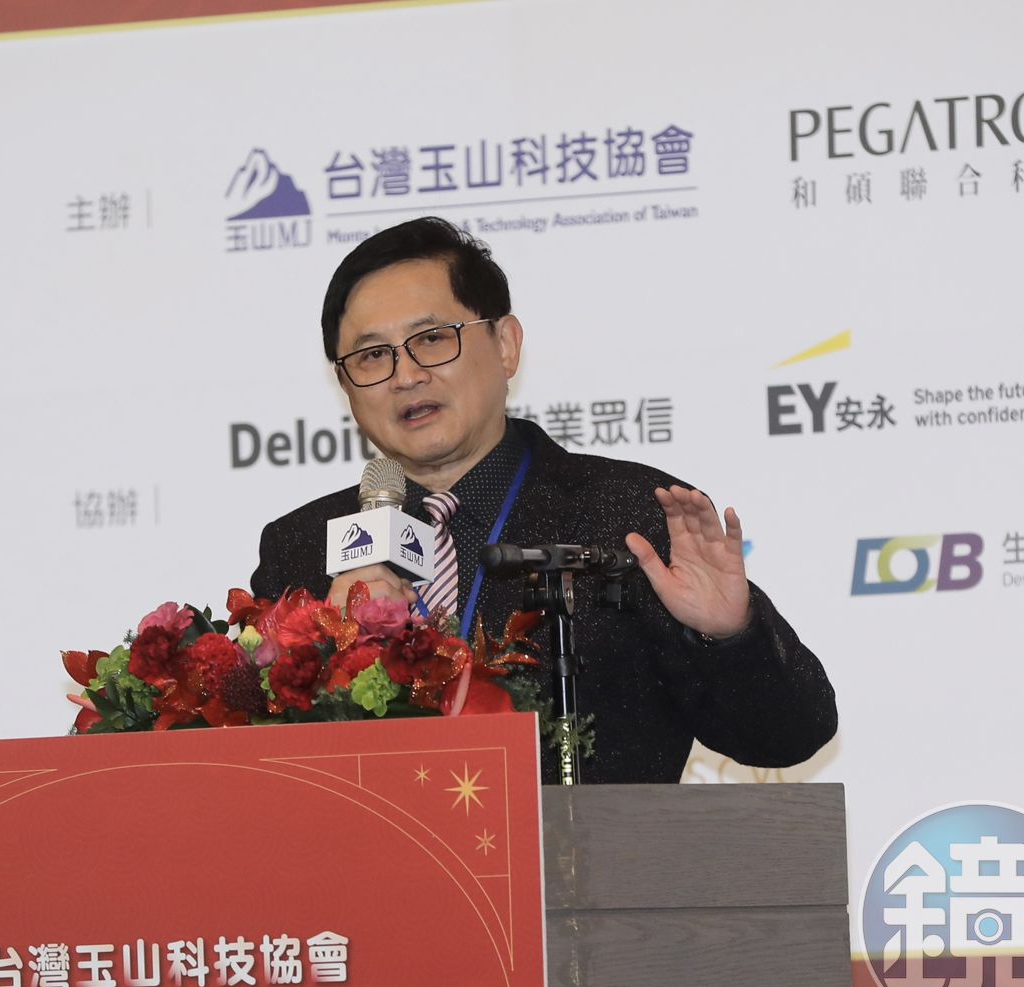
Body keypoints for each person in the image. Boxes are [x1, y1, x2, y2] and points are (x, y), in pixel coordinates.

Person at [251, 216, 836, 786]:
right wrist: (327, 643)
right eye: (373, 355)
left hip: (595, 854)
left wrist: (729, 637)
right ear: (345, 383)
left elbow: (786, 736)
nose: (405, 375)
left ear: (506, 346)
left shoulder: (629, 516)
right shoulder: (302, 547)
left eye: (432, 339)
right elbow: (262, 770)